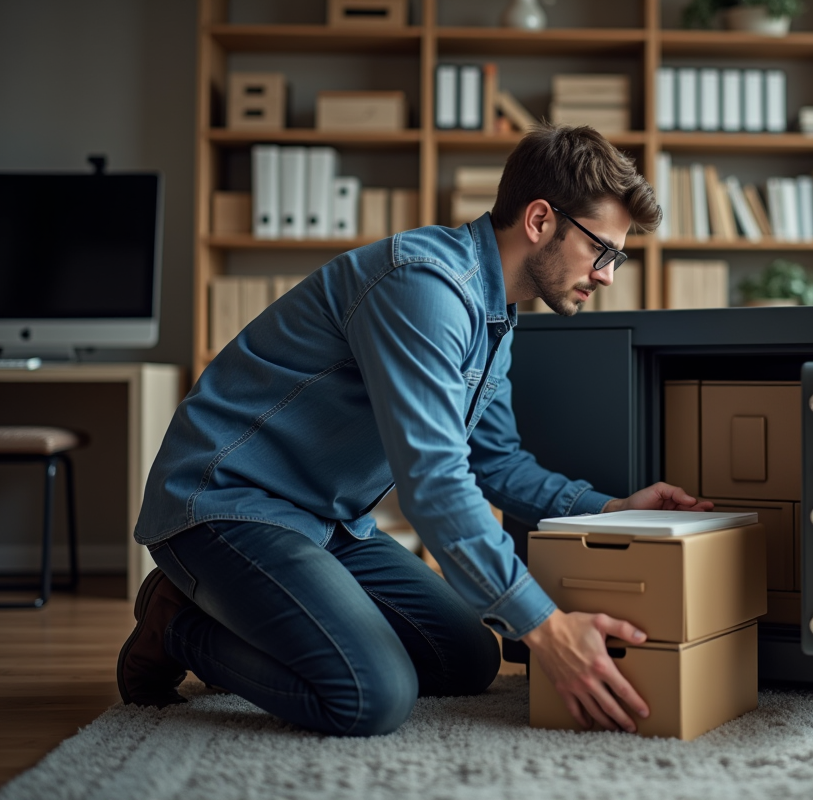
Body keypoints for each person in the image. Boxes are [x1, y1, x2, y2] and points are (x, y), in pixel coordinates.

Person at [118, 124, 712, 737]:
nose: (608, 274)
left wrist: (611, 508)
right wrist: (547, 628)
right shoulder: (422, 286)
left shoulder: (495, 316)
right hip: (229, 505)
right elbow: (434, 482)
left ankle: (251, 614)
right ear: (540, 220)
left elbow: (495, 462)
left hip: (331, 522)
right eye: (601, 250)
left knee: (469, 658)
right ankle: (177, 624)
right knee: (370, 696)